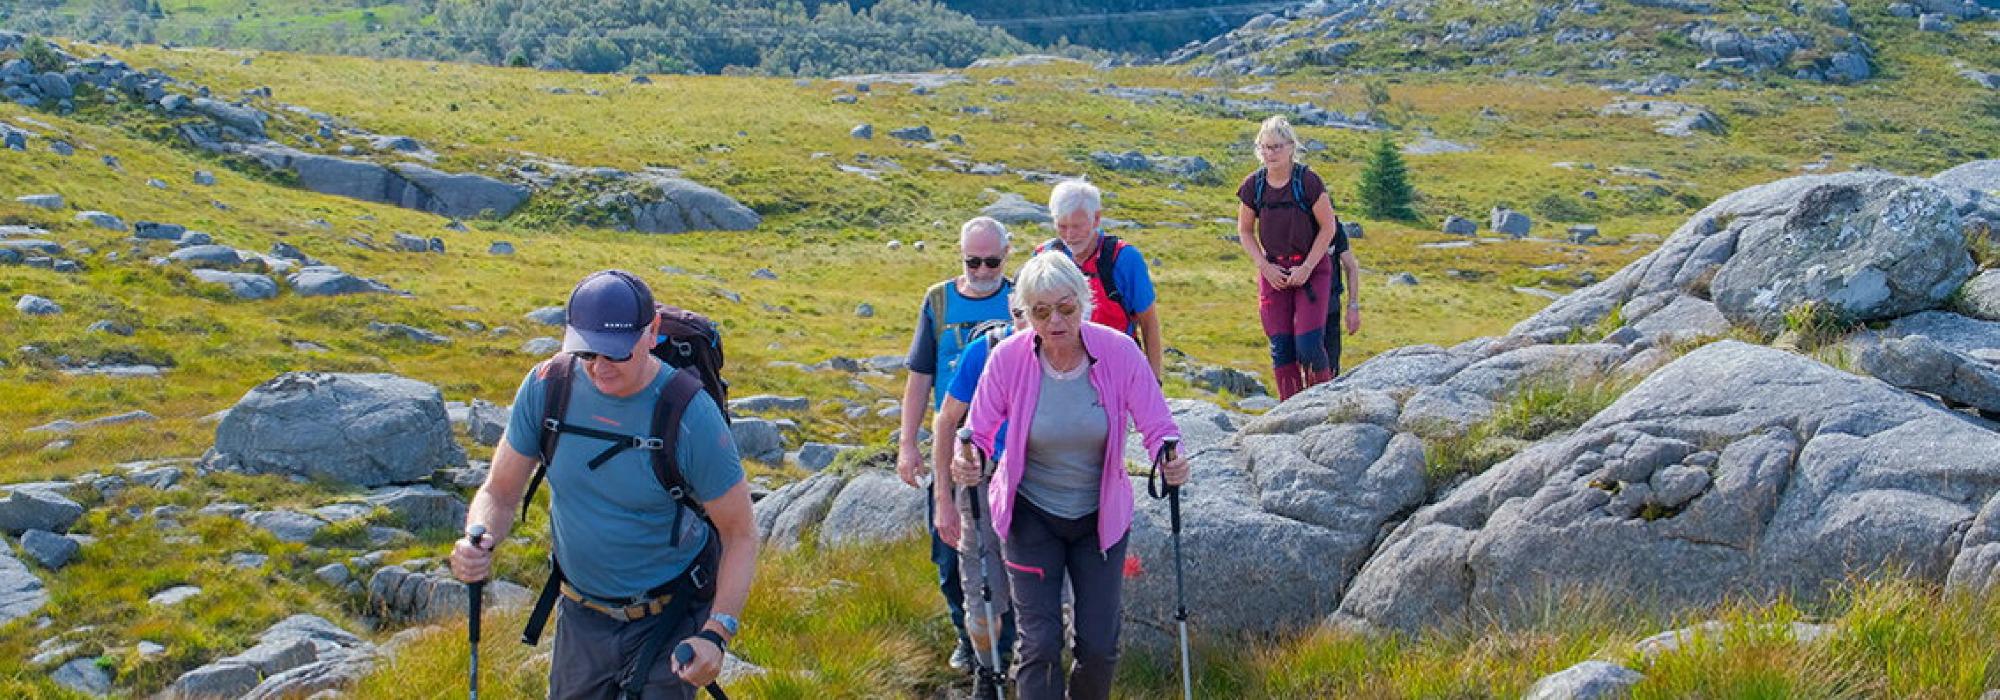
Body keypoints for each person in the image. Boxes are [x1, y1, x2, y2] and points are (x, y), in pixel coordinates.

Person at [450, 270, 758, 699]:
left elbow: (740, 533)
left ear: (651, 332)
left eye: (616, 354)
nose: (600, 368)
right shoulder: (547, 387)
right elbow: (499, 493)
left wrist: (716, 632)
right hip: (580, 615)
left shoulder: (690, 415)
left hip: (669, 618)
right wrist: (476, 539)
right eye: (587, 352)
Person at [954, 251, 1190, 700]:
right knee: (1040, 644)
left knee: (1099, 647)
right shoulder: (1007, 359)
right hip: (1031, 516)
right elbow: (977, 432)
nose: (1056, 321)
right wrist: (968, 459)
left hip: (1099, 518)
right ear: (1024, 314)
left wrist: (1169, 458)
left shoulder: (1119, 352)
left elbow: (1159, 425)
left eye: (1066, 308)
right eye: (1041, 312)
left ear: (1085, 303)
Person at [895, 217, 1019, 673]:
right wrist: (908, 445)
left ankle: (1007, 649)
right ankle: (968, 636)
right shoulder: (938, 301)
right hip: (953, 446)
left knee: (1008, 557)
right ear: (959, 255)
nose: (983, 271)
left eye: (992, 261)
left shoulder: (1020, 300)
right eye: (973, 261)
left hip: (1008, 450)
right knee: (949, 554)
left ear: (1007, 255)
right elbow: (919, 376)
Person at [1235, 115, 1362, 399]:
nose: (1270, 153)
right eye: (1265, 147)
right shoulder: (1253, 185)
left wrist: (1307, 267)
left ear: (1291, 147)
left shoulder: (1308, 181)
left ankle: (1322, 403)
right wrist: (1265, 267)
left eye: (1277, 147)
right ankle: (1289, 408)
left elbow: (1329, 227)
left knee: (1307, 343)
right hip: (1274, 273)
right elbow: (1244, 231)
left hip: (1311, 272)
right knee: (1282, 348)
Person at [931, 311, 1025, 696]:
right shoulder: (983, 351)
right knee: (982, 595)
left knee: (1050, 599)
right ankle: (987, 674)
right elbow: (946, 420)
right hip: (982, 482)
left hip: (1045, 483)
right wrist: (944, 498)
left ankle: (1026, 671)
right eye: (1023, 312)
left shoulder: (1075, 349)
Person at [1035, 180, 1167, 379]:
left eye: (1077, 226)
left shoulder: (1124, 259)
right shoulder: (1043, 257)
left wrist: (1154, 382)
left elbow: (1149, 324)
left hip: (1117, 371)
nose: (1069, 236)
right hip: (1058, 374)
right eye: (1062, 226)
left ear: (1096, 219)